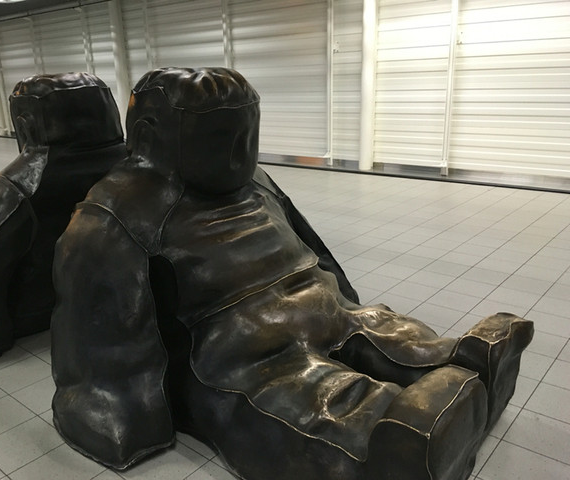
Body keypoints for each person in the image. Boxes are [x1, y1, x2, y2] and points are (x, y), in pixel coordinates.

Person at [51, 67, 533, 479]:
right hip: (240, 346)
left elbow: (308, 242)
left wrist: (345, 298)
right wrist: (120, 412)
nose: (239, 154)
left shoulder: (253, 180)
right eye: (219, 140)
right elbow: (102, 335)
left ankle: (456, 359)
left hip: (314, 301)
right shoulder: (115, 212)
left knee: (377, 329)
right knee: (309, 394)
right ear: (150, 137)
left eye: (247, 136)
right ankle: (396, 434)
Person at [0, 72, 126, 362]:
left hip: (35, 308)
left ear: (24, 123)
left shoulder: (17, 187)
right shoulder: (130, 165)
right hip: (109, 290)